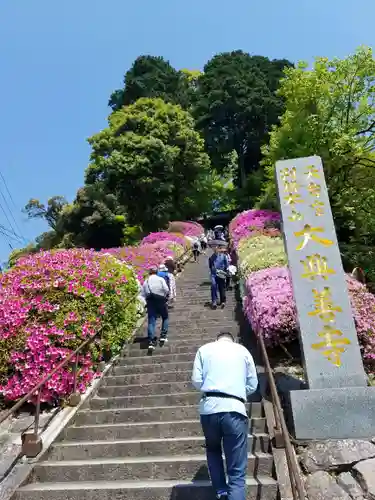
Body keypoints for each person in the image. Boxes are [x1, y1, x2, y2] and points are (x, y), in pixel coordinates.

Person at [192, 331, 258, 500]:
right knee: (236, 471)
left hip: (209, 408)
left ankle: (221, 491)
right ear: (232, 340)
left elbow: (197, 380)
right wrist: (238, 392)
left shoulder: (204, 350)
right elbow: (253, 384)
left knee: (213, 449)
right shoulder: (243, 351)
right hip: (234, 409)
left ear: (217, 339)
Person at [142, 266, 170, 350]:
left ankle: (151, 342)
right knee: (165, 317)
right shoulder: (160, 279)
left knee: (151, 321)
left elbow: (144, 293)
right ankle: (163, 336)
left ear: (149, 272)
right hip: (160, 300)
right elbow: (166, 290)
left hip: (150, 301)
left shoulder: (146, 281)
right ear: (157, 272)